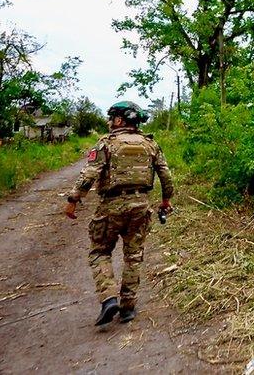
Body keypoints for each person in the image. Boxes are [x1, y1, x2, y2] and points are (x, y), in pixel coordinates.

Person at [64, 101, 174, 325]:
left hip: (111, 206)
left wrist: (73, 199)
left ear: (120, 120)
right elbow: (166, 175)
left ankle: (108, 299)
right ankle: (128, 308)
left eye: (111, 117)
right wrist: (165, 200)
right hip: (140, 206)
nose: (109, 121)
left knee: (100, 252)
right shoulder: (150, 144)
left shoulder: (106, 144)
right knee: (133, 256)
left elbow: (89, 174)